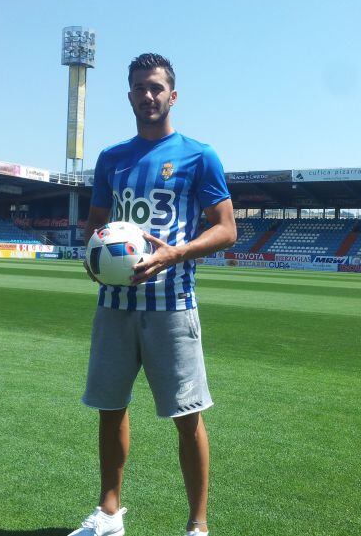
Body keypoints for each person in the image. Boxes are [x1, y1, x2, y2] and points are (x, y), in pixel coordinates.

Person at [70, 53, 236, 536]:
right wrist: (94, 258)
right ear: (129, 96)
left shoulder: (198, 156)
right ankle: (108, 515)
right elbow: (95, 225)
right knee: (110, 408)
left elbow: (226, 230)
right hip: (116, 308)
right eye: (140, 88)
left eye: (156, 87)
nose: (148, 95)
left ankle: (198, 527)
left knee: (187, 418)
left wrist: (172, 254)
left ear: (173, 95)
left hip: (171, 307)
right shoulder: (111, 159)